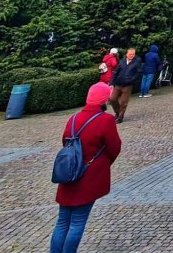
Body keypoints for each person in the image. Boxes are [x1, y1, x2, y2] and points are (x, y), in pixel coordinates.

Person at [48, 82, 122, 253]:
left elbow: (66, 142)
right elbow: (114, 147)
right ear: (104, 99)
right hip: (89, 176)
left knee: (63, 221)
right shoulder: (106, 120)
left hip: (69, 173)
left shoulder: (73, 118)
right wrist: (102, 164)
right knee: (77, 222)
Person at [110, 48, 142, 124]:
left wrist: (131, 80)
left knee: (124, 102)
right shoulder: (122, 61)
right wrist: (111, 82)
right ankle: (117, 113)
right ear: (127, 54)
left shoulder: (136, 62)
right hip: (118, 83)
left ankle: (120, 116)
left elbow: (138, 73)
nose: (132, 56)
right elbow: (116, 72)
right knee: (112, 99)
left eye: (133, 54)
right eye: (130, 54)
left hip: (128, 84)